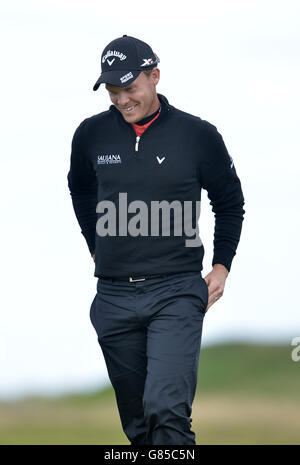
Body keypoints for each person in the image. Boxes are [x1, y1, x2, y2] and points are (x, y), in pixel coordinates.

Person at [67, 34, 245, 445]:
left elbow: (230, 201)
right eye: (113, 91)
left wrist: (222, 265)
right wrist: (95, 244)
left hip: (177, 291)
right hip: (112, 296)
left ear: (155, 76)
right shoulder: (90, 134)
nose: (121, 100)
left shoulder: (198, 135)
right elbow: (80, 189)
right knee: (141, 429)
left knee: (167, 415)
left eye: (129, 88)